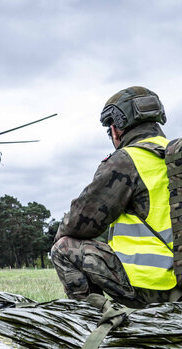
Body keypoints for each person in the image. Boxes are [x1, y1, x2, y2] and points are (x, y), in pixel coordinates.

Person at [51, 86, 175, 309]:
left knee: (63, 248)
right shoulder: (181, 156)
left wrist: (59, 234)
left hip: (155, 287)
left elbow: (79, 224)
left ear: (115, 130)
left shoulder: (128, 159)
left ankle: (90, 323)